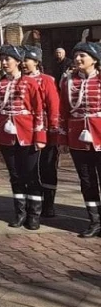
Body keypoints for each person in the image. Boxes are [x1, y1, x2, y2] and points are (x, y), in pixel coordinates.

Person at [0, 45, 45, 230]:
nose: (4, 63)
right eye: (2, 59)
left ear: (17, 61)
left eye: (8, 59)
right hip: (7, 136)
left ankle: (34, 215)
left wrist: (40, 136)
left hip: (27, 135)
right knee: (15, 176)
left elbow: (38, 110)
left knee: (30, 176)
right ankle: (20, 213)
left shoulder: (30, 83)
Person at [61, 42, 101, 238]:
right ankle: (95, 221)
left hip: (100, 134)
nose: (77, 59)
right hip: (78, 136)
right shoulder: (68, 81)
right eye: (76, 55)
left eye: (83, 55)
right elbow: (64, 110)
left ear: (94, 59)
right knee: (86, 181)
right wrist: (63, 137)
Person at [22, 46, 62, 218]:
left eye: (26, 60)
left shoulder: (46, 80)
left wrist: (54, 128)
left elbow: (54, 106)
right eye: (22, 60)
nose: (23, 64)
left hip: (46, 130)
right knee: (29, 169)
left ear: (36, 62)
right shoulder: (18, 81)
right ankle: (32, 202)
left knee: (47, 166)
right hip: (26, 131)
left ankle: (49, 203)